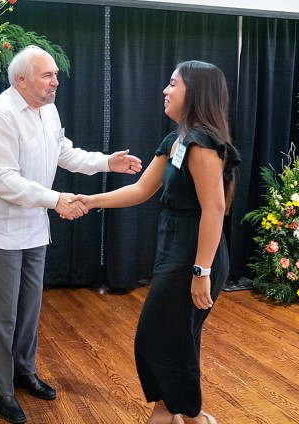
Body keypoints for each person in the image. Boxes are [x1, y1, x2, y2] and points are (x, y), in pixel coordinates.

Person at [0, 45, 143, 424]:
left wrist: (105, 162)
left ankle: (23, 371)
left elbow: (62, 151)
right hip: (0, 229)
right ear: (21, 81)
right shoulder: (0, 115)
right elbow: (2, 180)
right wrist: (55, 199)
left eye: (54, 74)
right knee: (3, 316)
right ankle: (1, 390)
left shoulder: (47, 109)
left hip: (35, 226)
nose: (56, 81)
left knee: (29, 309)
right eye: (47, 75)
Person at [77, 60, 240, 424]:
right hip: (174, 250)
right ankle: (185, 415)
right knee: (176, 339)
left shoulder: (202, 144)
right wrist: (89, 201)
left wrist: (202, 271)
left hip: (195, 255)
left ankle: (178, 413)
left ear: (195, 92)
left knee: (156, 339)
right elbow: (139, 190)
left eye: (173, 84)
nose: (165, 91)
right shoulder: (177, 140)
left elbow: (214, 209)